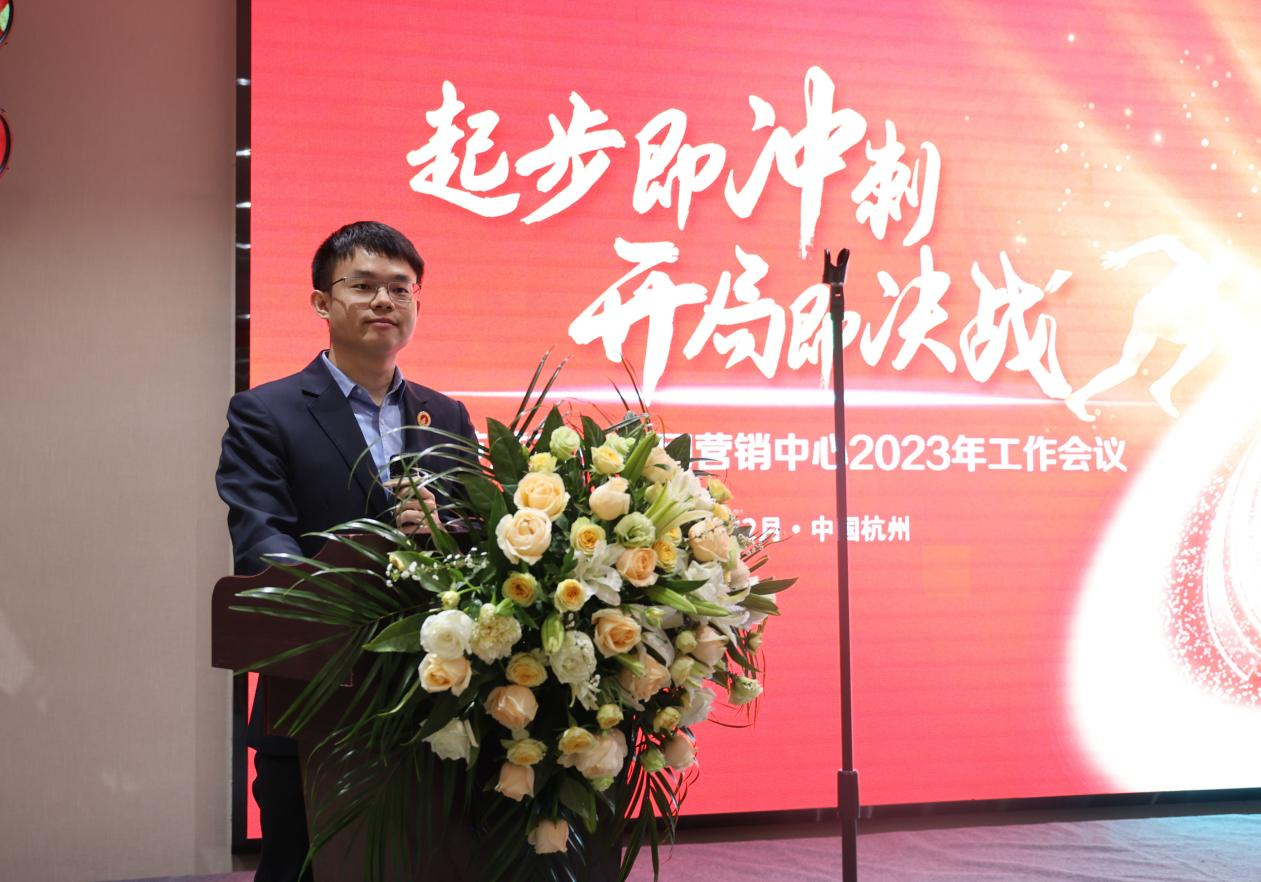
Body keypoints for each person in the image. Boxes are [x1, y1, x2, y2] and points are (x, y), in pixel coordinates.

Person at [216, 220, 476, 882]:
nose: (384, 300)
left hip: (435, 696)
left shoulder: (445, 416)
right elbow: (262, 539)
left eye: (400, 287)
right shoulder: (266, 412)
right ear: (321, 302)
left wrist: (447, 529)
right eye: (362, 285)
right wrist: (342, 605)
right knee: (302, 867)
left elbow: (479, 536)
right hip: (318, 695)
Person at [1065, 235, 1231, 422]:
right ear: (1216, 263)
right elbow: (1165, 241)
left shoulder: (1211, 294)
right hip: (1156, 312)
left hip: (1153, 318)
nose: (1224, 273)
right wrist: (1125, 255)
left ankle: (1079, 396)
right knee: (1203, 342)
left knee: (1128, 367)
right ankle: (1164, 385)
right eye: (1224, 266)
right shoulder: (1196, 263)